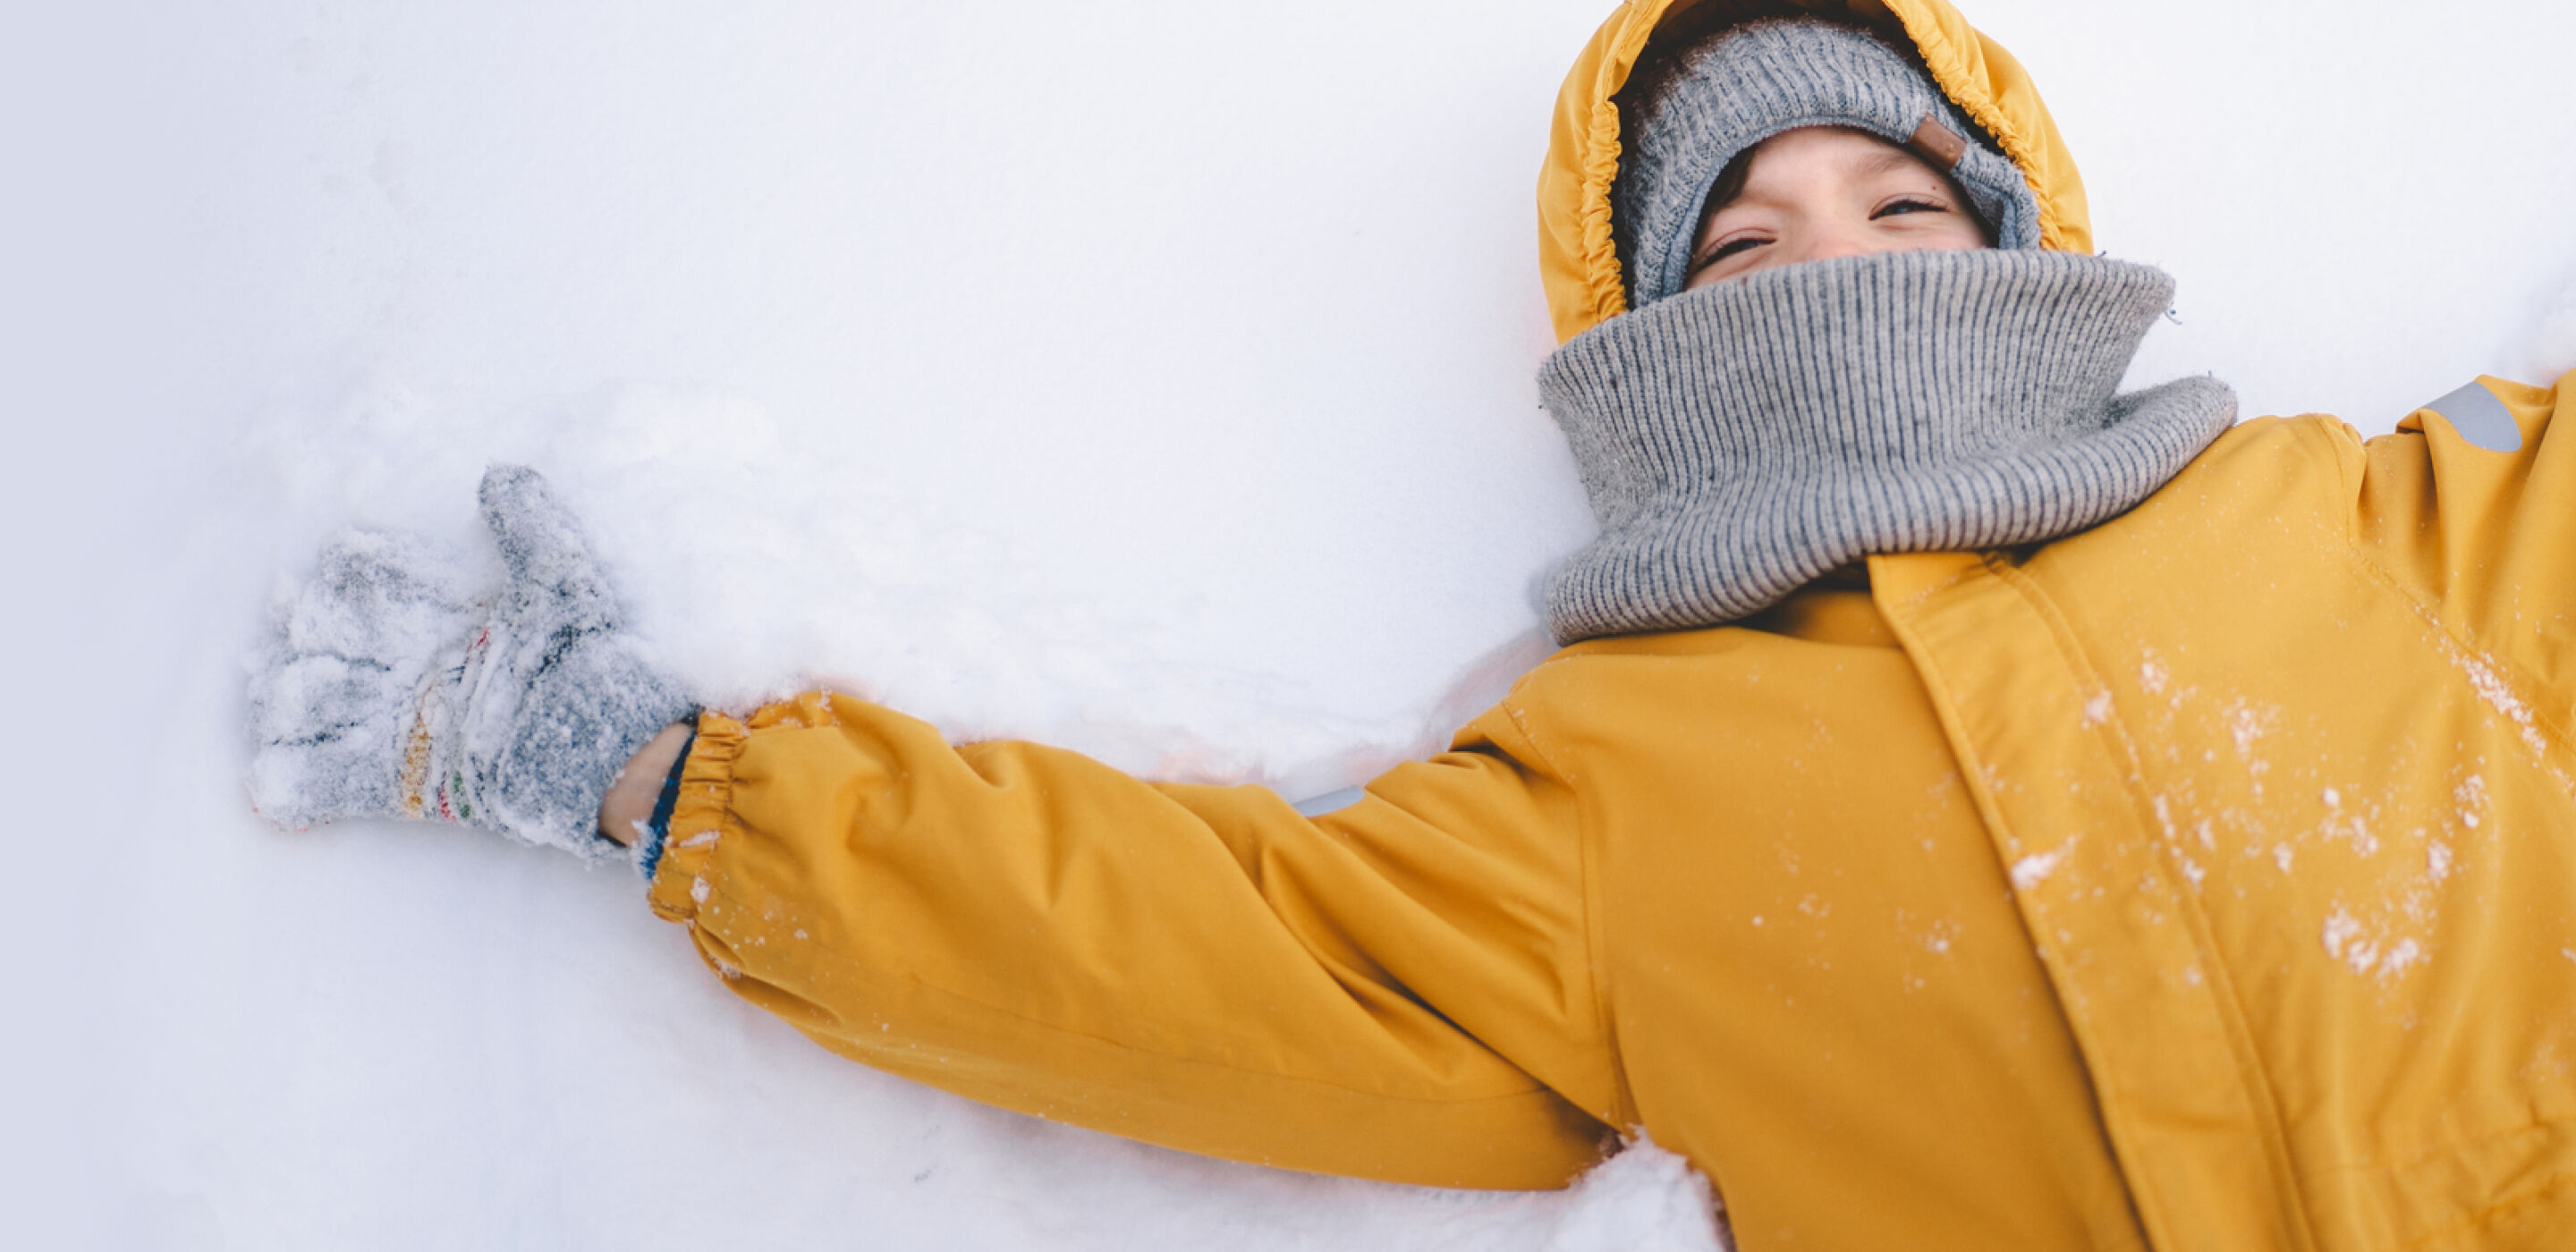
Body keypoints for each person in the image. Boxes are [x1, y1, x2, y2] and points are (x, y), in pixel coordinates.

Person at [246, 2, 2576, 1248]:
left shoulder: (2371, 524)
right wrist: (660, 779)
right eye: (1745, 244)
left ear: (2023, 240)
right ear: (1645, 348)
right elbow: (1179, 952)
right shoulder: (1616, 790)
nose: (1844, 254)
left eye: (1899, 195)